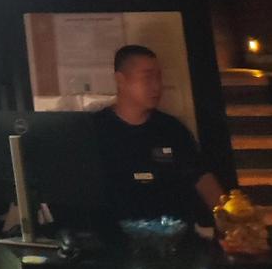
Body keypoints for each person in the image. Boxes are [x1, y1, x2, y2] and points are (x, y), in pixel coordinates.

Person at [93, 44, 224, 227]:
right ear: (120, 80)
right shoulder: (96, 130)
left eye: (158, 77)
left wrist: (231, 220)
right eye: (147, 78)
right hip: (115, 233)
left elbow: (201, 176)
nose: (156, 86)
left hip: (173, 233)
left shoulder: (171, 129)